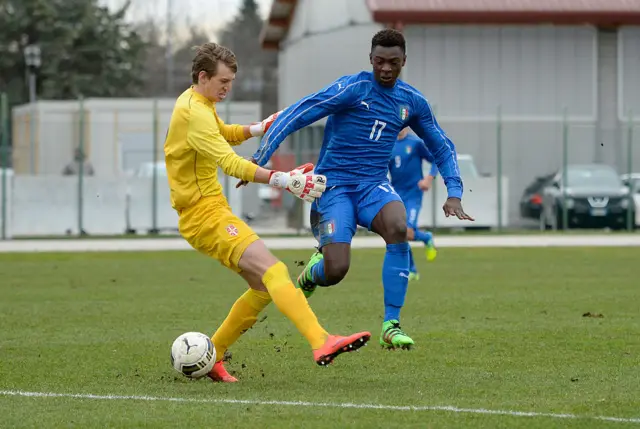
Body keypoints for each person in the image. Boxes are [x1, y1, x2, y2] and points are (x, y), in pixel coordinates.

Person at [247, 29, 474, 351]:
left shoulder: (412, 101)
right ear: (370, 59)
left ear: (404, 61)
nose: (385, 68)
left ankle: (391, 325)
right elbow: (300, 112)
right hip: (334, 186)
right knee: (337, 269)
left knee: (399, 228)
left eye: (393, 62)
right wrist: (262, 156)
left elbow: (441, 146)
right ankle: (313, 273)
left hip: (373, 186)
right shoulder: (352, 88)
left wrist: (454, 191)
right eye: (379, 61)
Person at [164, 42, 371, 383]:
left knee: (262, 287)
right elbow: (230, 164)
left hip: (208, 212)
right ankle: (321, 342)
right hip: (204, 216)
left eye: (231, 81)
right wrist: (285, 180)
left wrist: (257, 128)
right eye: (223, 82)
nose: (227, 88)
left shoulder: (198, 103)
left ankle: (213, 354)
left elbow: (223, 135)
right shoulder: (194, 111)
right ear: (203, 77)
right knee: (274, 270)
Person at [389, 127, 439, 281]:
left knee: (408, 231)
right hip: (397, 195)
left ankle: (425, 238)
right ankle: (412, 270)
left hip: (413, 194)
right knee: (399, 233)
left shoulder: (415, 143)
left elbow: (436, 160)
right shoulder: (387, 144)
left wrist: (428, 179)